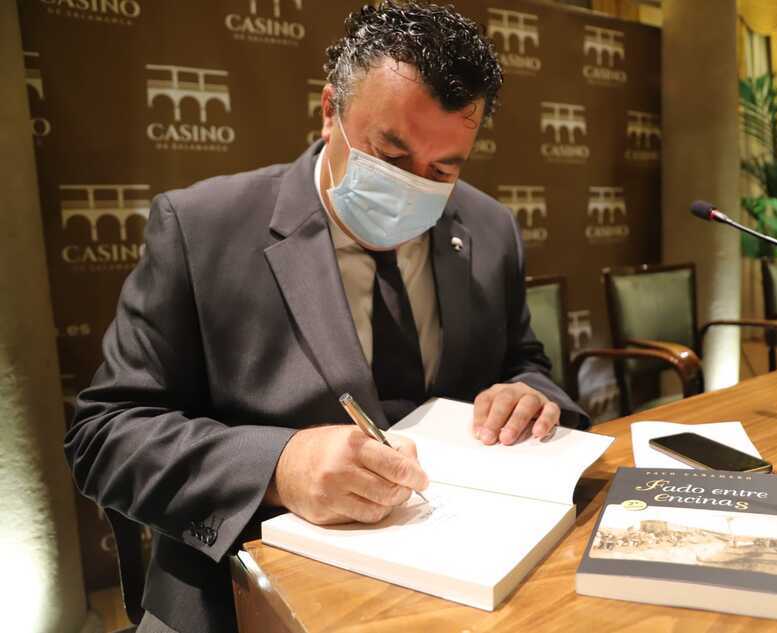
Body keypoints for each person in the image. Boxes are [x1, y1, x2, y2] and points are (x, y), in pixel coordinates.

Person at [65, 3, 588, 632]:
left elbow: (524, 362)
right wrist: (277, 467)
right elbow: (104, 435)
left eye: (442, 169)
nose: (414, 187)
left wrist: (528, 397)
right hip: (245, 589)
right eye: (390, 156)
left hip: (461, 577)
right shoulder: (201, 230)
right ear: (329, 110)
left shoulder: (489, 227)